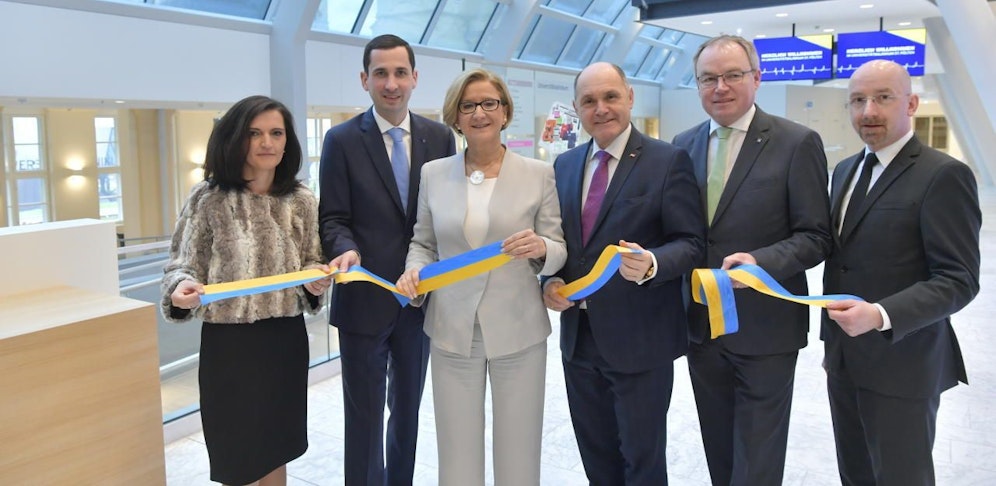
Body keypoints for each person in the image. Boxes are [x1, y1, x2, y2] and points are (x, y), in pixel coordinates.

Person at [671, 35, 832, 486]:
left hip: (766, 329)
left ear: (757, 79)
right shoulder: (682, 145)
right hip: (703, 328)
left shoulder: (797, 143)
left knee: (758, 459)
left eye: (732, 75)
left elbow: (816, 237)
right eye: (708, 78)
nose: (720, 86)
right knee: (718, 449)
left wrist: (760, 263)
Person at [395, 68, 567, 486]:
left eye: (490, 103)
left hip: (518, 330)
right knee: (456, 453)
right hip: (453, 329)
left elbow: (558, 246)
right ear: (456, 116)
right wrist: (413, 269)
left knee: (519, 450)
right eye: (468, 105)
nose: (479, 113)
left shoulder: (538, 173)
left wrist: (543, 250)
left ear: (505, 111)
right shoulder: (434, 174)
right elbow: (423, 242)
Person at [542, 62, 705, 485]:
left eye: (610, 97)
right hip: (579, 342)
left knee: (642, 461)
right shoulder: (565, 166)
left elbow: (691, 243)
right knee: (597, 459)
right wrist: (549, 282)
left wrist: (653, 263)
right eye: (589, 101)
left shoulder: (668, 161)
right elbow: (561, 244)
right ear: (577, 108)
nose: (601, 108)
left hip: (641, 342)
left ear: (630, 97)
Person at [822, 59, 981, 485]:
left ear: (911, 103)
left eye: (882, 98)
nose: (868, 111)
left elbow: (959, 278)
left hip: (903, 364)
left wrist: (880, 314)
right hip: (843, 360)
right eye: (857, 100)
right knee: (855, 474)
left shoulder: (943, 175)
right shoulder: (845, 171)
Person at [161, 95, 330, 486]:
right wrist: (181, 286)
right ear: (236, 138)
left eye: (276, 133)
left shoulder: (301, 200)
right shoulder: (208, 198)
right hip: (229, 345)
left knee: (276, 446)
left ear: (288, 142)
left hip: (283, 340)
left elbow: (311, 259)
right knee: (236, 455)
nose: (266, 142)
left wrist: (315, 279)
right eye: (254, 133)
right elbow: (181, 263)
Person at [317, 34, 455, 486]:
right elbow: (333, 217)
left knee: (408, 414)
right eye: (381, 73)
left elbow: (445, 216)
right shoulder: (340, 141)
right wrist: (345, 250)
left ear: (415, 78)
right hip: (363, 298)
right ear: (364, 80)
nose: (391, 83)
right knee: (364, 418)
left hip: (418, 301)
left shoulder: (440, 138)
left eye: (400, 73)